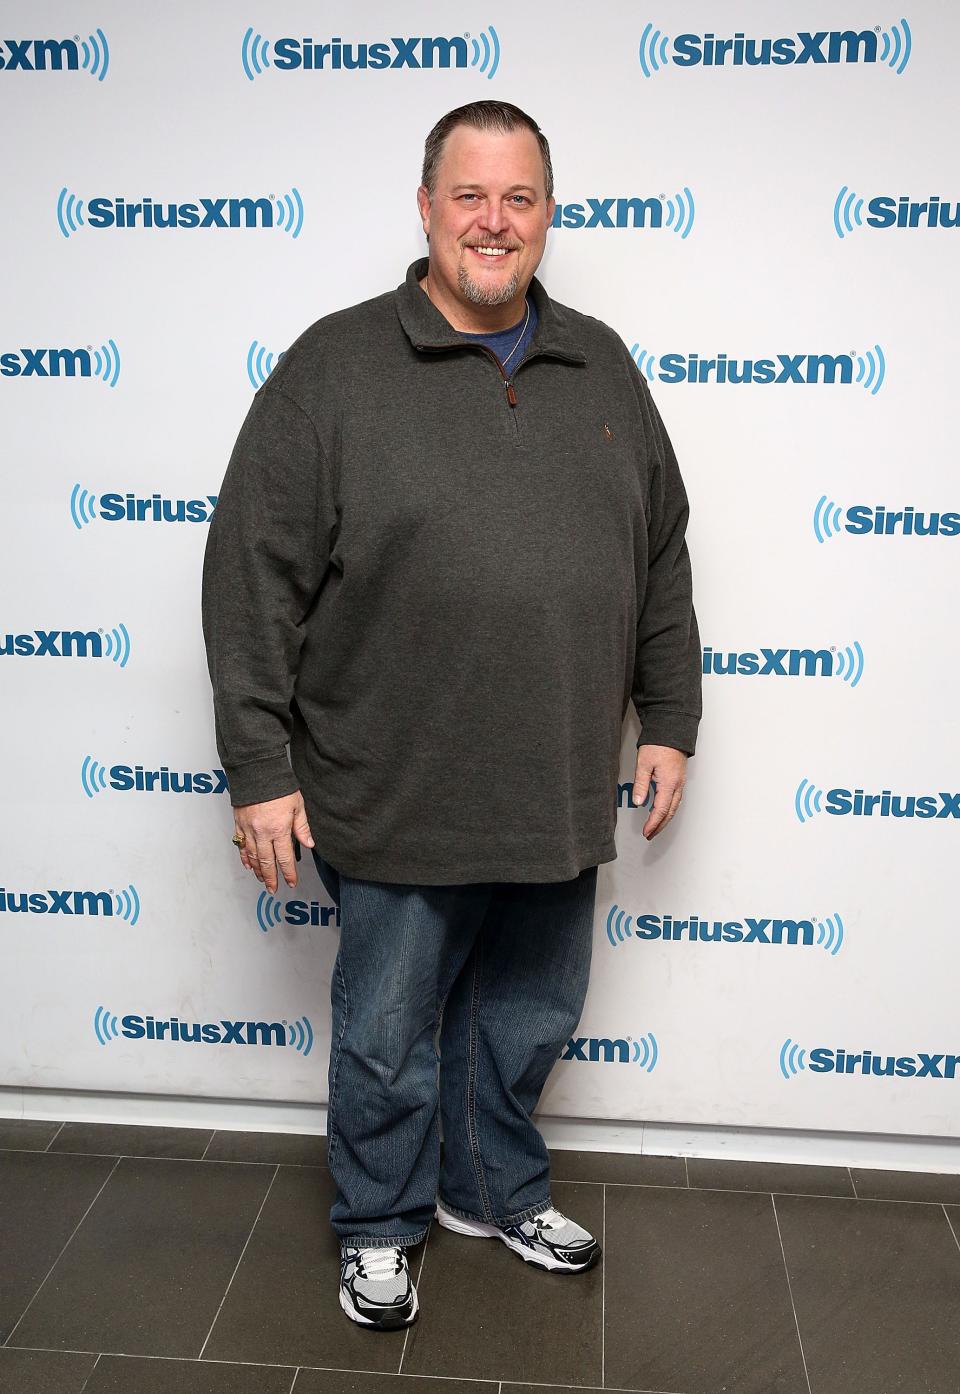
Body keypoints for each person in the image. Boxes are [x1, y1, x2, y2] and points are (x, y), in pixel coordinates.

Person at [201, 100, 701, 1331]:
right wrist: (258, 762)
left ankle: (491, 1186)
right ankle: (379, 1222)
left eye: (518, 198)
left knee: (527, 1014)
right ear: (426, 207)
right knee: (386, 1031)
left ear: (546, 216)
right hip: (393, 778)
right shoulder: (335, 367)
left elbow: (664, 555)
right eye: (469, 195)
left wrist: (670, 718)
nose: (494, 219)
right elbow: (249, 573)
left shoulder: (604, 364)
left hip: (552, 777)